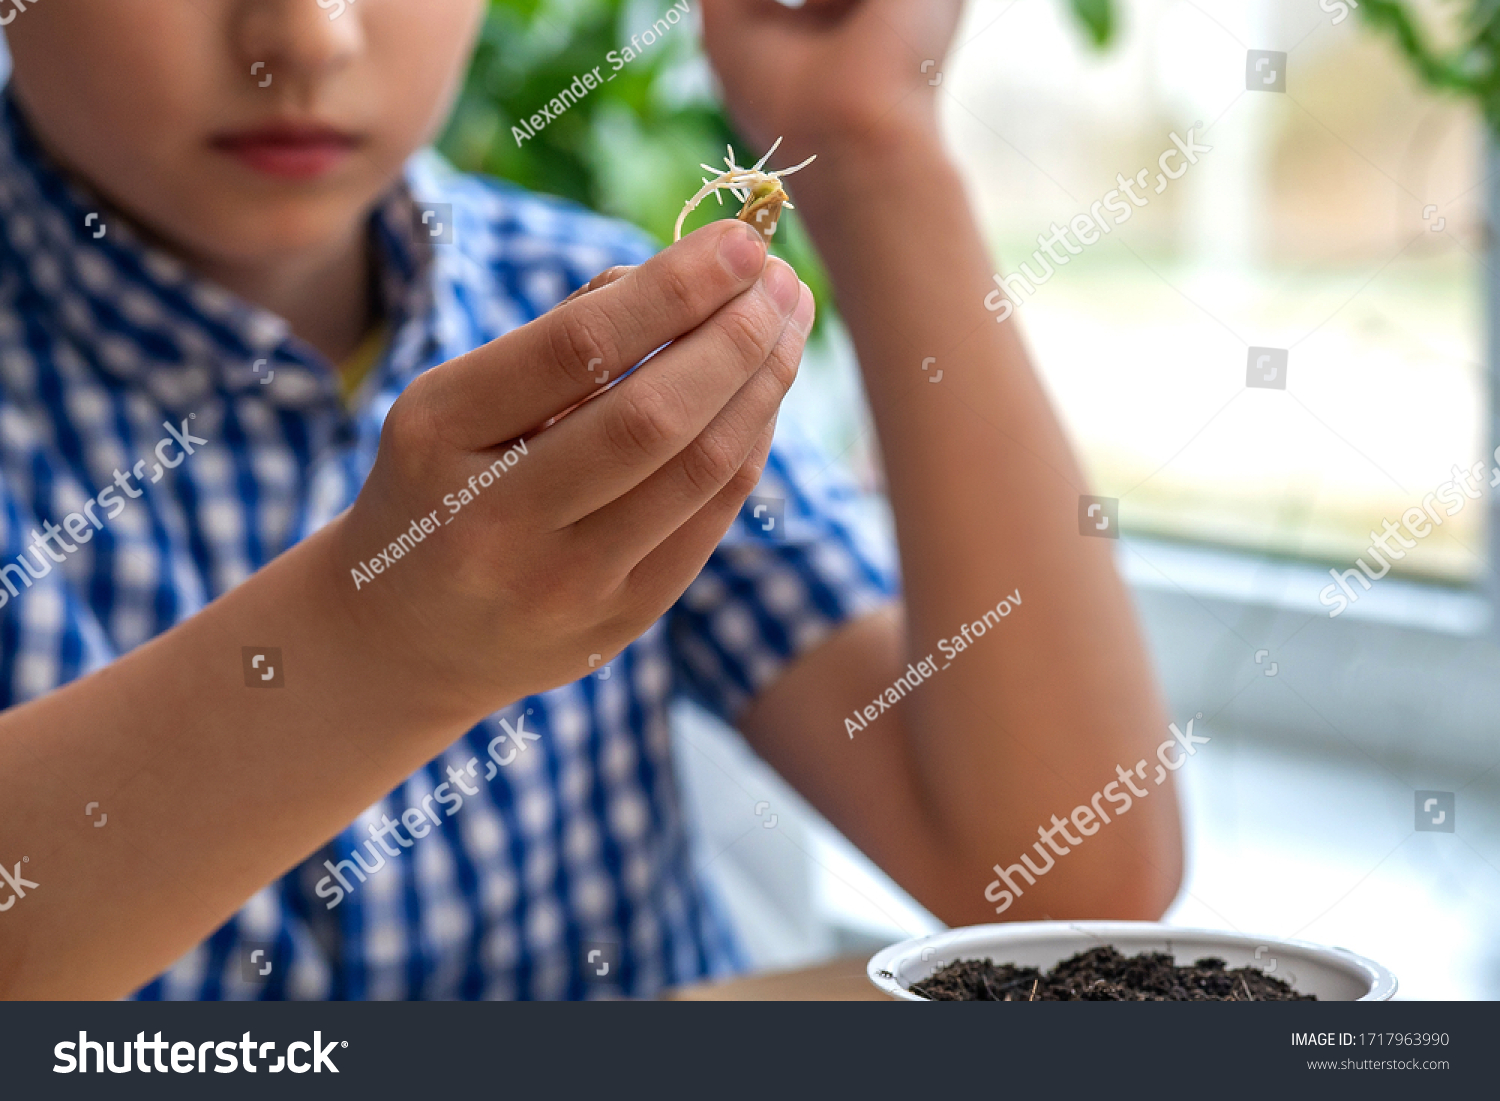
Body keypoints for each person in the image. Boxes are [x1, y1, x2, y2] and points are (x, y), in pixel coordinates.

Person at [0, 0, 1181, 1000]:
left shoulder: (584, 309)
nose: (308, 35)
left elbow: (1069, 878)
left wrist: (869, 141)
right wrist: (384, 645)